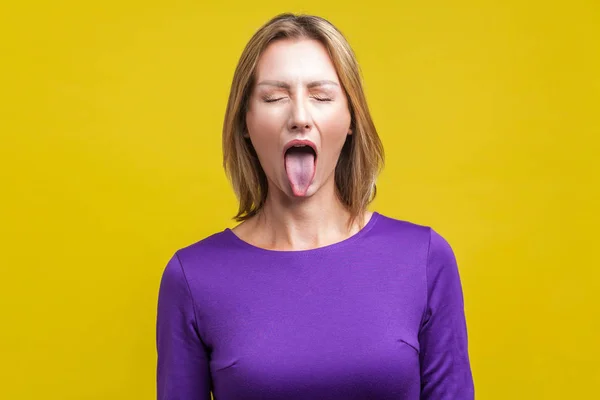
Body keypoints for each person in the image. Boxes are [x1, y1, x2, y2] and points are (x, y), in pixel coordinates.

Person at [156, 13, 474, 400]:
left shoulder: (424, 258)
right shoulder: (192, 277)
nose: (300, 117)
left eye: (321, 96)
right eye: (275, 98)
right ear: (245, 122)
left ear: (351, 118)